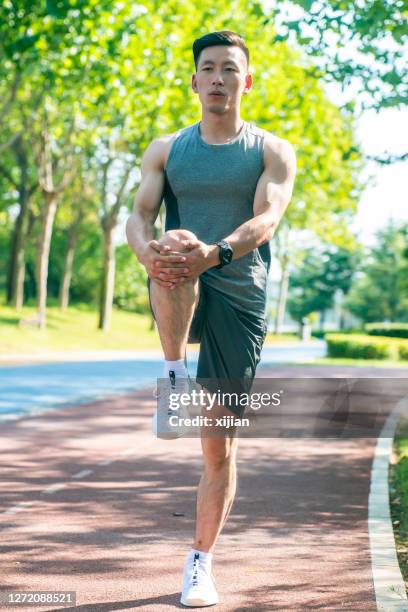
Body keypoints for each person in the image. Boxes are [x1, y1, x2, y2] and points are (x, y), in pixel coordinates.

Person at [126, 30, 296, 607]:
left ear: (246, 81)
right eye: (209, 68)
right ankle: (174, 373)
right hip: (178, 279)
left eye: (230, 68)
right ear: (194, 80)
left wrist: (217, 253)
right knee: (170, 237)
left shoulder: (272, 150)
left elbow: (267, 218)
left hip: (239, 294)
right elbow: (138, 215)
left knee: (217, 447)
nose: (218, 77)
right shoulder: (167, 149)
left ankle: (200, 563)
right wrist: (145, 250)